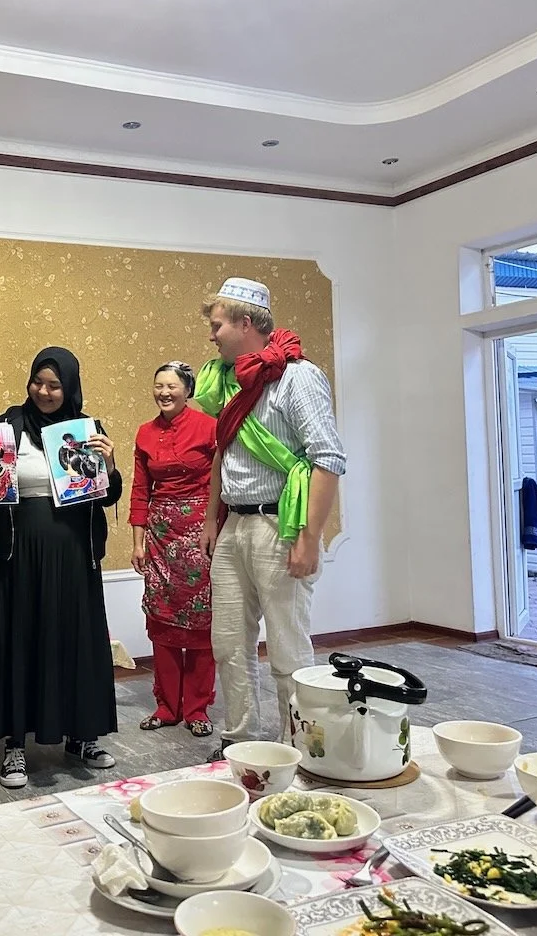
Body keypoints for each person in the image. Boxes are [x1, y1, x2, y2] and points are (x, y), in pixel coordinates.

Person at [194, 278, 346, 762]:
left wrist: (310, 537)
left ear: (245, 322)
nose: (211, 335)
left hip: (279, 525)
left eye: (216, 325)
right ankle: (239, 738)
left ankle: (297, 747)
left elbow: (328, 458)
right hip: (235, 525)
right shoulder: (228, 380)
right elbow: (222, 454)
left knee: (287, 649)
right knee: (228, 645)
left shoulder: (298, 378)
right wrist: (211, 519)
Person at [0, 347, 122, 789]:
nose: (44, 392)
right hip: (17, 554)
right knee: (19, 640)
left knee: (76, 639)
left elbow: (107, 496)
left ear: (69, 387)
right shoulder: (8, 426)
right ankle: (14, 747)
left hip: (73, 554)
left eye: (54, 384)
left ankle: (82, 737)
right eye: (38, 382)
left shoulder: (87, 430)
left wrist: (108, 463)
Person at [129, 361, 218, 737]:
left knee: (201, 623)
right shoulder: (145, 432)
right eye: (158, 385)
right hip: (160, 535)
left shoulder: (209, 427)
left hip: (201, 532)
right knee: (162, 622)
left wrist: (214, 528)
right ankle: (166, 706)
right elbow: (139, 490)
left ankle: (197, 708)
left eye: (172, 386)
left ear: (188, 390)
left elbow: (219, 484)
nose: (164, 392)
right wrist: (138, 542)